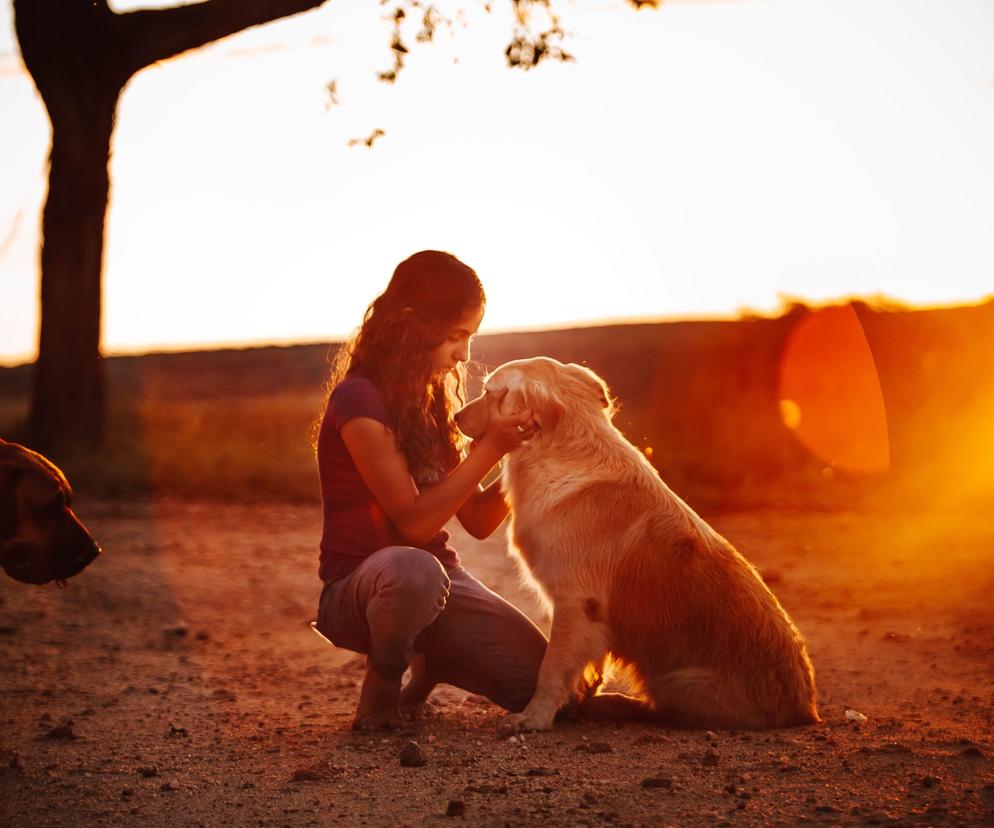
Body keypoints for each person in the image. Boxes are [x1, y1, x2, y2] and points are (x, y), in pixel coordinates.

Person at [313, 250, 547, 730]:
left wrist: (527, 446)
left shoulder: (430, 402)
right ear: (412, 325)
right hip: (363, 589)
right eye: (457, 336)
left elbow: (479, 520)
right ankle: (380, 693)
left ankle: (433, 662)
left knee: (541, 687)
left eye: (471, 338)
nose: (464, 354)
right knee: (413, 569)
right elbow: (415, 521)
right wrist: (491, 449)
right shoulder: (359, 400)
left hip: (438, 587)